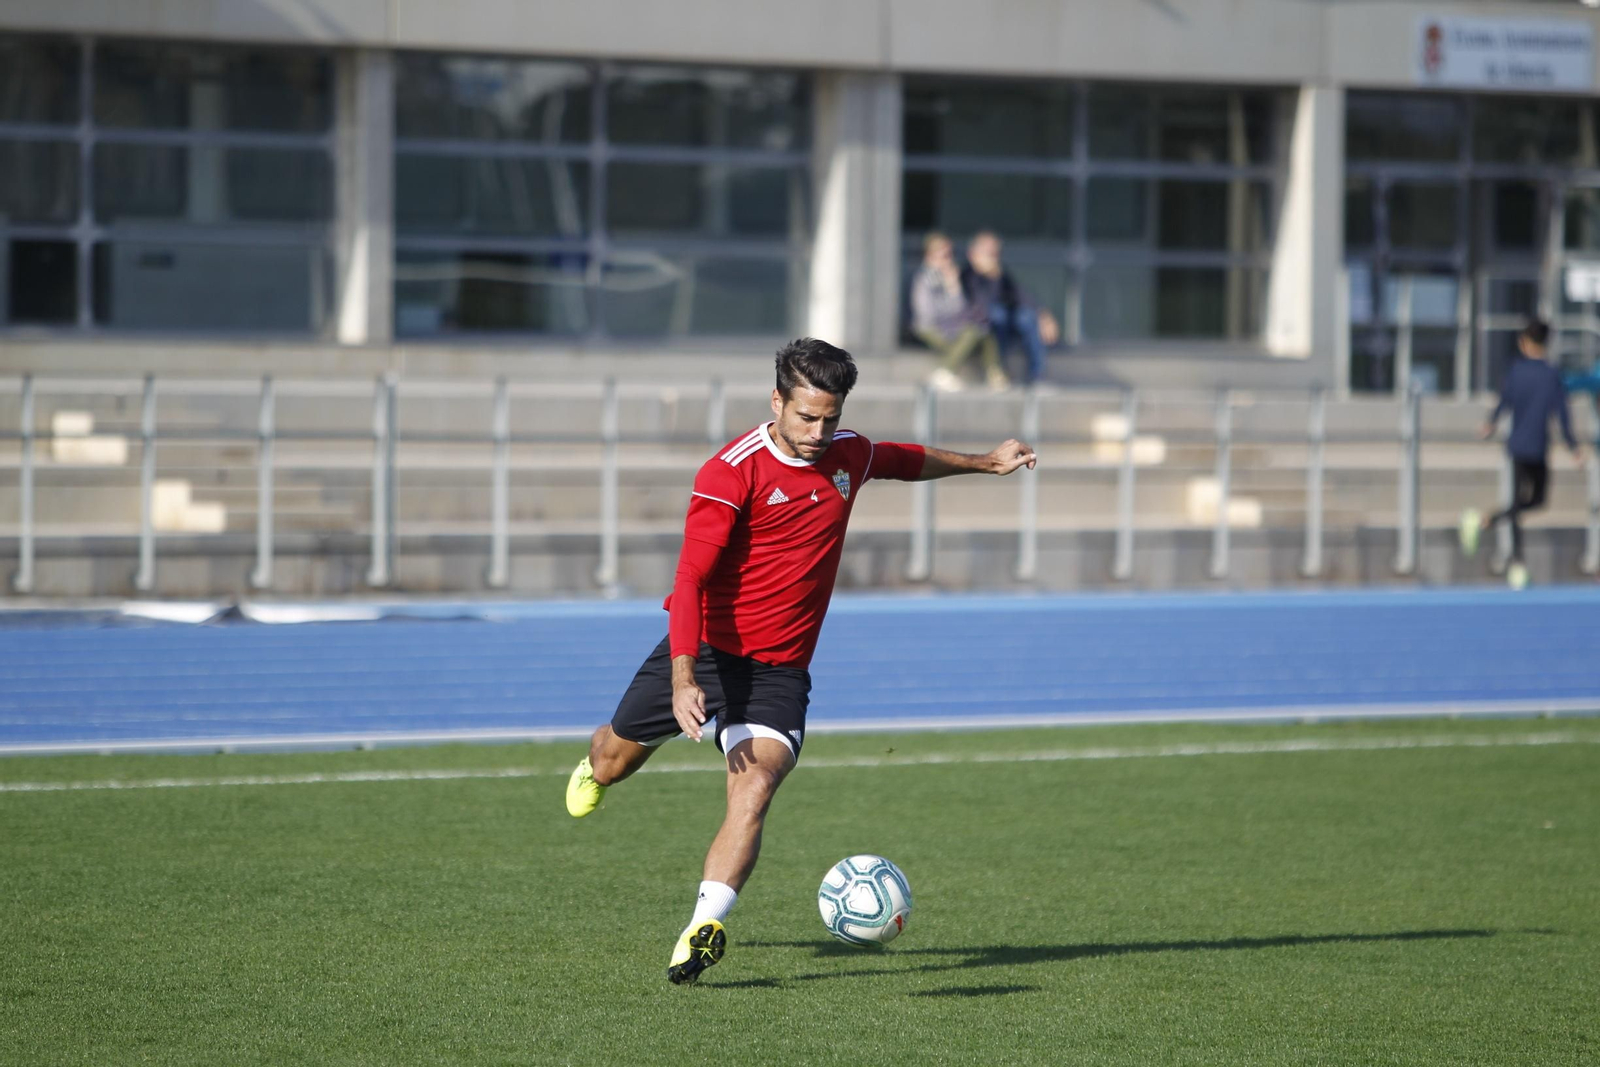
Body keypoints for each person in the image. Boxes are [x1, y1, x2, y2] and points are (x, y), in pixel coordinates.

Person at [564, 338, 1037, 985]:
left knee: (752, 789)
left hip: (779, 672)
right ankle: (596, 763)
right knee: (612, 761)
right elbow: (691, 578)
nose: (819, 433)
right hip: (702, 650)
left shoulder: (848, 455)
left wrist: (985, 462)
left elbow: (902, 458)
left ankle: (705, 924)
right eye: (806, 417)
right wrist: (681, 677)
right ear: (777, 401)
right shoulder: (730, 472)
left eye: (831, 418)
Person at [1459, 318, 1584, 589]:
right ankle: (1516, 563)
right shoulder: (1546, 374)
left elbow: (1505, 401)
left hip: (1524, 447)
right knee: (1523, 503)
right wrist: (1573, 447)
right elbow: (1561, 415)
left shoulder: (1529, 372)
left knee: (1531, 501)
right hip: (1529, 446)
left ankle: (1485, 521)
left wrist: (1490, 423)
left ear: (1527, 342)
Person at [961, 230, 1060, 386]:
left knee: (1027, 317)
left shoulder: (999, 273)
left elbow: (1019, 294)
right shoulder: (968, 275)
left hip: (1007, 320)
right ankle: (998, 368)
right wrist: (992, 278)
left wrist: (1043, 314)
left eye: (996, 253)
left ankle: (1037, 375)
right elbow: (983, 305)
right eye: (990, 253)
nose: (994, 258)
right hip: (982, 325)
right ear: (974, 253)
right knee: (998, 314)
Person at [910, 232, 1005, 392]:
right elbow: (926, 314)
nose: (949, 259)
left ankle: (994, 372)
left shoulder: (952, 277)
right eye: (944, 255)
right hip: (930, 328)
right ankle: (944, 372)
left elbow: (962, 308)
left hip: (951, 325)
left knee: (985, 331)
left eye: (950, 254)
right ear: (930, 256)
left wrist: (954, 288)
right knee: (972, 332)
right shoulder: (924, 279)